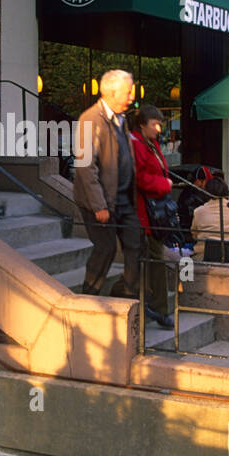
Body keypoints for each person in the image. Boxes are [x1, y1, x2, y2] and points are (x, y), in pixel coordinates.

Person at [72, 69, 140, 299]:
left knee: (136, 245)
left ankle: (129, 298)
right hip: (100, 201)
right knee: (106, 248)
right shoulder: (89, 120)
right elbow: (85, 166)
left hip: (123, 200)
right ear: (112, 92)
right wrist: (98, 205)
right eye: (128, 92)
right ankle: (88, 298)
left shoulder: (121, 119)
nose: (132, 96)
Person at [130, 104, 175, 329]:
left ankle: (153, 305)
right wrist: (164, 184)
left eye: (159, 124)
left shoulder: (151, 144)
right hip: (145, 211)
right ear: (142, 125)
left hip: (154, 211)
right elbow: (139, 178)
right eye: (154, 124)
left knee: (153, 259)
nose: (158, 128)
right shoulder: (137, 145)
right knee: (155, 260)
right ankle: (159, 309)